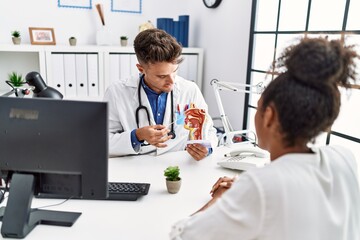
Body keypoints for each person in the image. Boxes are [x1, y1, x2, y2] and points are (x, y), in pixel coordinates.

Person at [170, 37, 360, 239]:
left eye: (258, 108)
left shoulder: (261, 186)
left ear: (269, 116)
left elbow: (181, 235)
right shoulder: (343, 158)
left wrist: (222, 199)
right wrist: (247, 195)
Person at [103, 29, 218, 160]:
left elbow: (209, 130)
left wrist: (207, 148)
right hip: (134, 165)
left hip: (176, 164)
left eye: (174, 71)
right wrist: (137, 135)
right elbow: (102, 141)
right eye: (162, 76)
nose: (172, 81)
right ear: (141, 69)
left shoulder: (190, 89)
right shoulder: (116, 92)